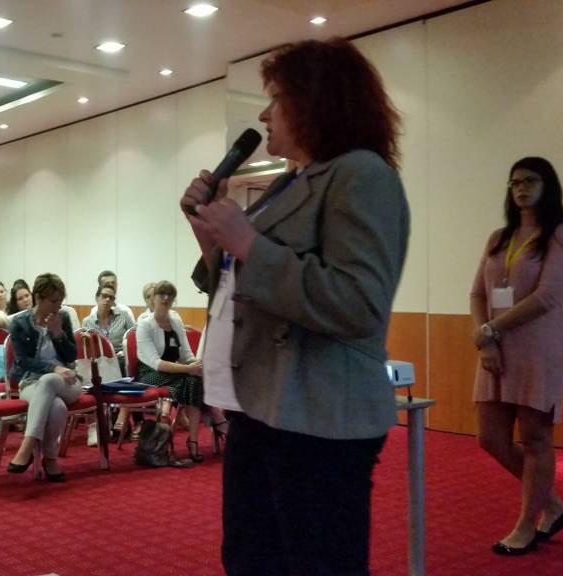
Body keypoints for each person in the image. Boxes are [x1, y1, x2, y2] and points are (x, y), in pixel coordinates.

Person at [182, 38, 409, 575]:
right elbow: (243, 283)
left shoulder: (363, 175)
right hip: (262, 404)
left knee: (314, 563)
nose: (265, 114)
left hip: (320, 414)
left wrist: (247, 242)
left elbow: (358, 302)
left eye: (277, 99)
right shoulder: (290, 182)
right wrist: (211, 235)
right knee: (250, 558)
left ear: (317, 102)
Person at [471, 157, 563, 555]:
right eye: (515, 182)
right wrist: (486, 338)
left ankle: (527, 526)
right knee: (490, 438)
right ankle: (553, 506)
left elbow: (547, 296)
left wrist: (491, 331)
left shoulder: (562, 233)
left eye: (530, 181)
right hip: (495, 350)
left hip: (539, 351)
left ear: (547, 185)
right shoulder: (499, 237)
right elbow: (478, 293)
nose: (521, 188)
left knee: (535, 439)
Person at [6, 273, 80, 482]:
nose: (58, 306)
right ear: (38, 298)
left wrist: (58, 334)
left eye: (60, 301)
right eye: (53, 301)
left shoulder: (63, 317)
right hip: (31, 381)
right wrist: (52, 368)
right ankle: (50, 459)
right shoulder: (20, 322)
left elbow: (72, 356)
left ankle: (27, 445)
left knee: (49, 380)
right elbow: (22, 361)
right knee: (57, 407)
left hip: (67, 381)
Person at [134, 281, 206, 460]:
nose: (166, 298)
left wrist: (198, 364)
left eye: (170, 295)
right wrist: (188, 368)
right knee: (192, 381)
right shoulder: (144, 324)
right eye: (162, 294)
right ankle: (217, 421)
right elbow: (156, 363)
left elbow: (186, 355)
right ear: (153, 298)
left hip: (175, 373)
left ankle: (193, 440)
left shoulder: (175, 321)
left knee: (195, 380)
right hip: (149, 374)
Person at [82, 282, 135, 372]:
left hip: (120, 359)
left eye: (111, 297)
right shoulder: (87, 321)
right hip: (99, 360)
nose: (107, 299)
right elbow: (85, 348)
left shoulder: (123, 316)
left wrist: (123, 353)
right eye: (104, 296)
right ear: (97, 298)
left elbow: (134, 336)